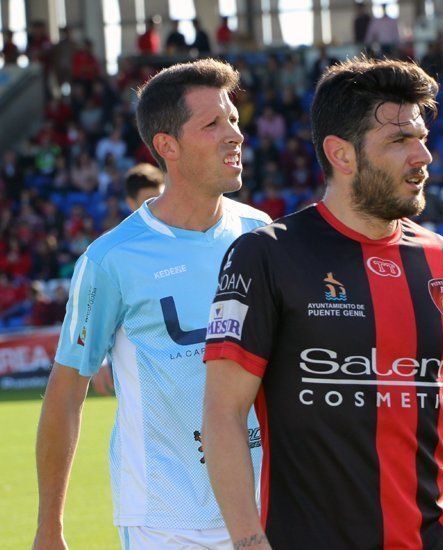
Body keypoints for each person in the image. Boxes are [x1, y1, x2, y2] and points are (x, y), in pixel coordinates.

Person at [203, 57, 443, 550]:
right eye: (400, 140)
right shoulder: (266, 255)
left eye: (422, 137)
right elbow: (222, 414)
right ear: (342, 155)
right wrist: (250, 543)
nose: (423, 156)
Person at [33, 59, 270, 550]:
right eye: (213, 124)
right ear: (167, 146)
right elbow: (66, 389)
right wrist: (49, 527)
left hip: (267, 510)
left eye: (234, 120)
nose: (234, 136)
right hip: (165, 522)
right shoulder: (111, 259)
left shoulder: (261, 235)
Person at [90, 162, 166, 396]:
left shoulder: (184, 238)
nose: (156, 207)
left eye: (160, 198)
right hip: (141, 376)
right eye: (147, 201)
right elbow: (94, 310)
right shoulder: (114, 251)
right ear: (130, 203)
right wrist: (100, 360)